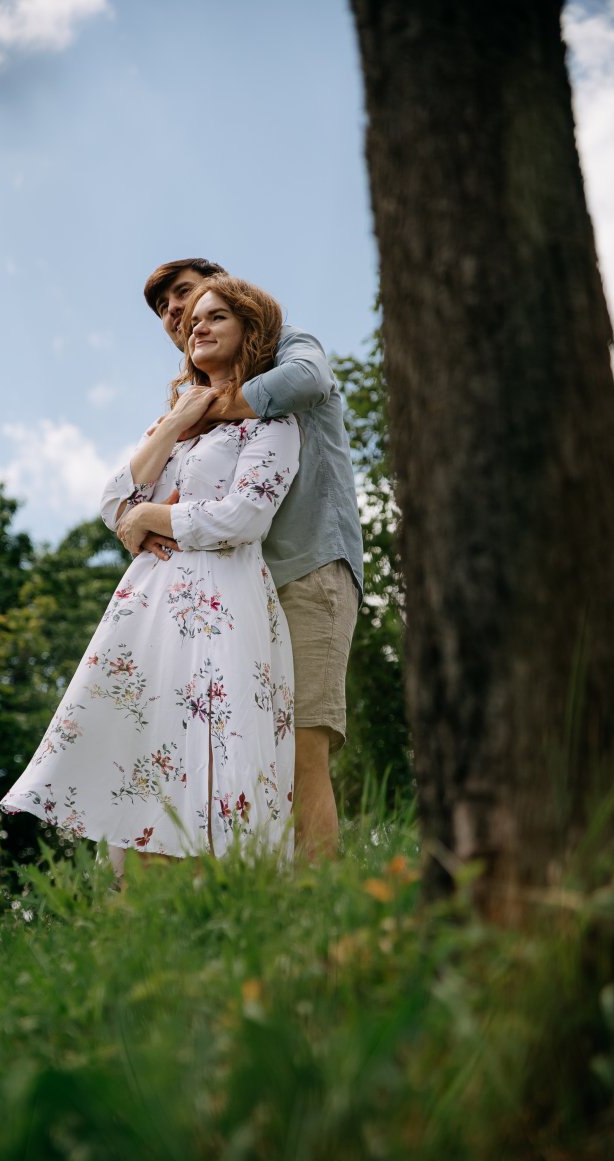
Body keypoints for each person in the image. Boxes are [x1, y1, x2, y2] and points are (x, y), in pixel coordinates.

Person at [0, 278, 300, 875]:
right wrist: (172, 424)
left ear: (250, 330)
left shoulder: (272, 423)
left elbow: (245, 516)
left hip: (223, 594)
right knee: (142, 740)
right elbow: (113, 502)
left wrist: (150, 517)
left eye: (216, 316)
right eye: (192, 320)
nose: (196, 326)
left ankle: (224, 886)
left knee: (218, 736)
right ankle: (135, 899)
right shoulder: (176, 424)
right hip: (148, 603)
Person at [138, 258, 363, 860]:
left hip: (306, 569)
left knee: (302, 745)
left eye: (186, 294)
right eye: (165, 309)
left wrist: (213, 406)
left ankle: (318, 898)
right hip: (231, 593)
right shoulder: (190, 404)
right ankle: (243, 894)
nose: (177, 312)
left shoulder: (289, 344)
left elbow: (307, 381)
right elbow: (143, 498)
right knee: (221, 751)